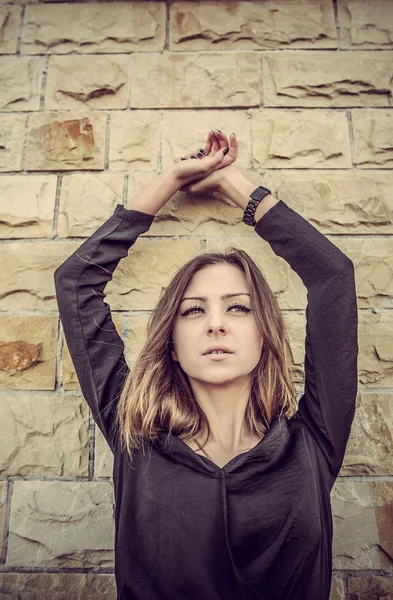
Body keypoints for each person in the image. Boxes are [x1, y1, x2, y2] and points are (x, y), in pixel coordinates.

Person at [54, 129, 359, 600]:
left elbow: (332, 276)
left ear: (264, 334)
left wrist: (234, 184)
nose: (216, 325)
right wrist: (171, 180)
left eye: (238, 308)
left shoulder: (313, 442)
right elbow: (76, 283)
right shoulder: (133, 435)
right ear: (172, 343)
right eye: (193, 311)